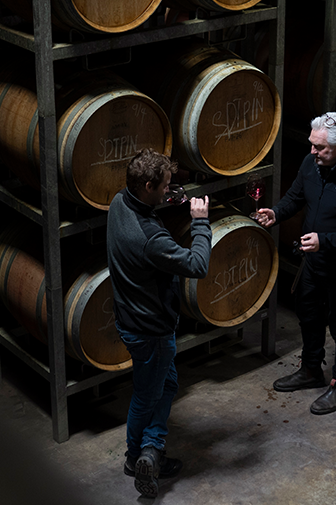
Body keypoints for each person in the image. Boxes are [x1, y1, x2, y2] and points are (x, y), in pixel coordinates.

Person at [254, 112, 336, 415]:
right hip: (313, 264)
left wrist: (325, 241)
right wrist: (276, 213)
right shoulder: (312, 163)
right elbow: (296, 197)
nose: (313, 152)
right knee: (309, 317)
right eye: (313, 145)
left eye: (321, 148)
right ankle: (311, 370)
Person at [106, 148, 210, 497]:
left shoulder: (121, 201)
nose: (170, 189)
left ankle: (152, 448)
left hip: (129, 317)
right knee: (148, 393)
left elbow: (149, 215)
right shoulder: (151, 239)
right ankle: (137, 456)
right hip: (150, 329)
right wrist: (200, 221)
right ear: (148, 185)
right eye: (165, 185)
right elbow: (197, 265)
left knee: (165, 385)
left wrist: (168, 202)